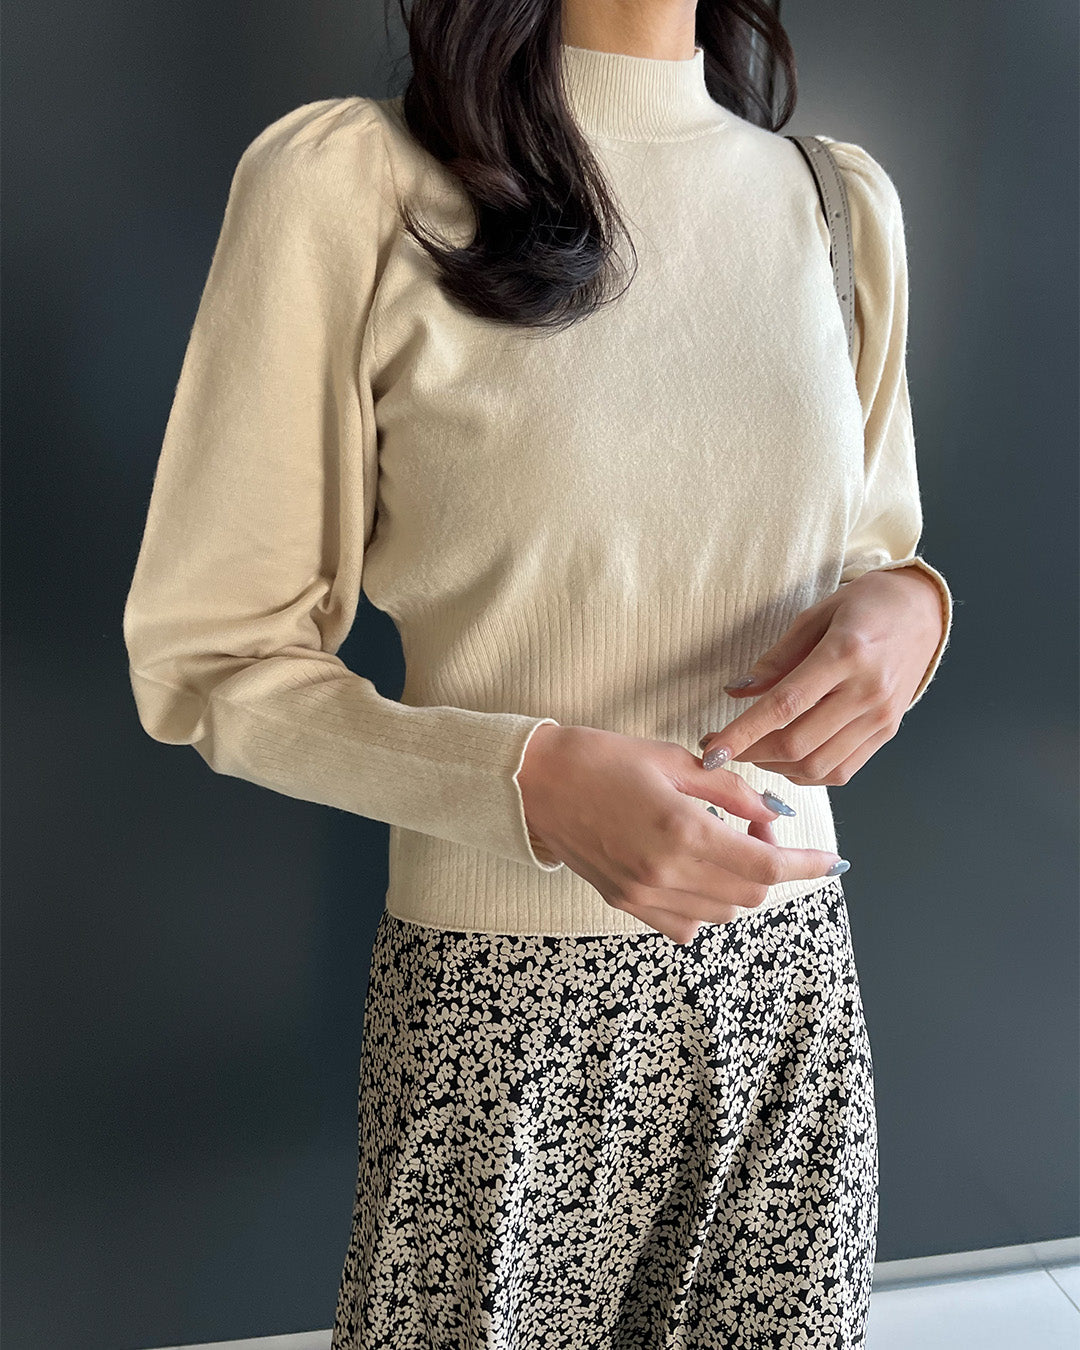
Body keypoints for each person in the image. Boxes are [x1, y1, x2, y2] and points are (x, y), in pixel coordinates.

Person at [122, 3, 954, 1346]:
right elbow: (211, 659)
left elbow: (871, 543)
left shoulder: (836, 206)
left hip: (792, 994)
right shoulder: (353, 183)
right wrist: (532, 783)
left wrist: (912, 610)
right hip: (500, 1020)